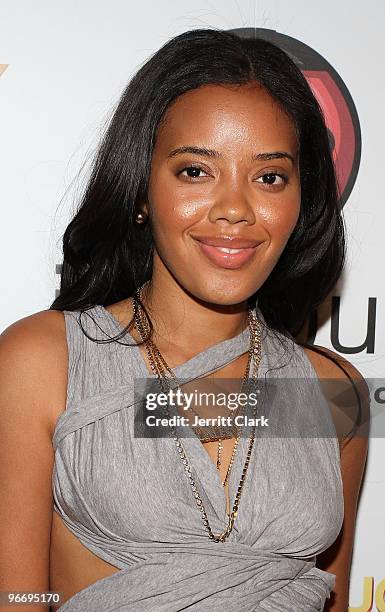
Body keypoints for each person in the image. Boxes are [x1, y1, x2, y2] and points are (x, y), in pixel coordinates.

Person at [0, 28, 369, 612]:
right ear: (141, 189)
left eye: (269, 176)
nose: (234, 209)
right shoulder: (43, 363)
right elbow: (16, 596)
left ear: (303, 200)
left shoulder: (332, 395)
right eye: (195, 171)